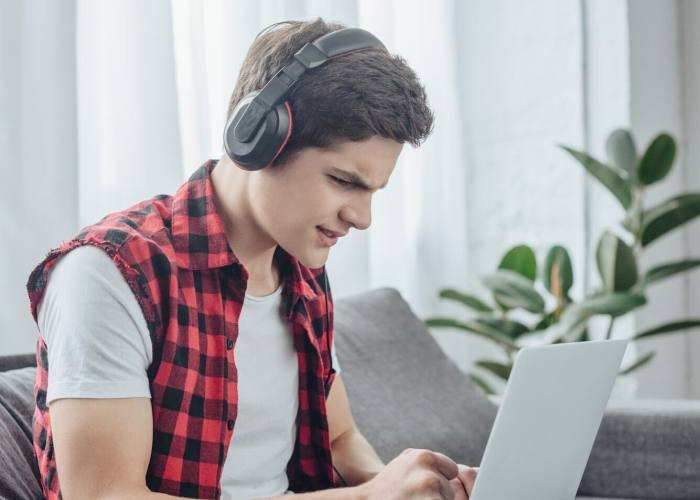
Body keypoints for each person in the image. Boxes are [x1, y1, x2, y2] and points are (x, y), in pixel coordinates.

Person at [26, 17, 478, 499]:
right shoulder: (109, 272)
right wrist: (368, 497)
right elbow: (106, 496)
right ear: (258, 138)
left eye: (374, 192)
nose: (362, 218)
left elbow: (341, 439)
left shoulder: (302, 271)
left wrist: (408, 485)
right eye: (345, 181)